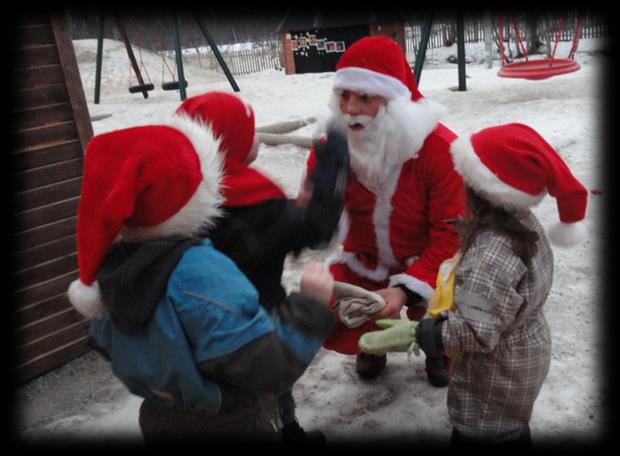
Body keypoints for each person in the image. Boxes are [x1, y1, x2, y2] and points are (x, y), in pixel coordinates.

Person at [66, 118, 336, 444]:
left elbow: (111, 344)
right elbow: (268, 369)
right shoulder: (200, 273)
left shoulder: (111, 271)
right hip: (231, 420)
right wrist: (309, 305)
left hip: (159, 417)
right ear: (195, 193)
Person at [364, 123, 588, 446]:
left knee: (487, 433)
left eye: (465, 177)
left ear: (484, 189)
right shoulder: (523, 224)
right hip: (523, 355)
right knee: (511, 427)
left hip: (494, 374)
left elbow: (476, 332)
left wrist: (420, 333)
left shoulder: (490, 256)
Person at [173, 91, 349, 443]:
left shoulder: (180, 202)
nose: (256, 138)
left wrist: (289, 212)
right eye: (249, 131)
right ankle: (287, 432)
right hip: (256, 324)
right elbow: (317, 228)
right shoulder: (257, 206)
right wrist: (333, 164)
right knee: (269, 386)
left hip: (194, 331)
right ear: (231, 142)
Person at [301, 35, 466, 384]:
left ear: (393, 101)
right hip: (365, 257)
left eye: (365, 97)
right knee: (327, 302)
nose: (350, 109)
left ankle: (440, 345)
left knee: (456, 291)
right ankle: (369, 340)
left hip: (428, 258)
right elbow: (318, 219)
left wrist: (406, 290)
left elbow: (450, 234)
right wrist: (314, 206)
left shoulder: (440, 151)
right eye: (344, 95)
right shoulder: (332, 147)